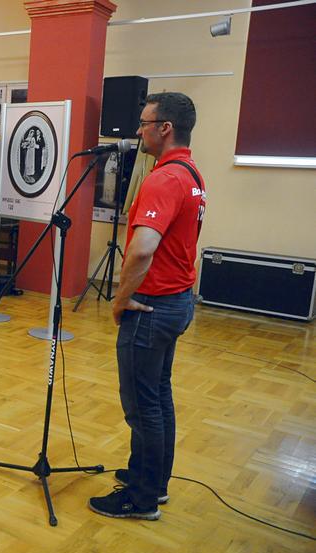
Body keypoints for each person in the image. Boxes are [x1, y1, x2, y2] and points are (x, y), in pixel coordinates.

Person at [88, 92, 205, 521]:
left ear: (165, 128)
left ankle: (140, 498)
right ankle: (152, 481)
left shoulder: (164, 179)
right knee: (159, 397)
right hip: (176, 302)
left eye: (143, 123)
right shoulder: (191, 173)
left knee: (142, 406)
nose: (137, 131)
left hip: (150, 307)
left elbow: (141, 251)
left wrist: (119, 301)